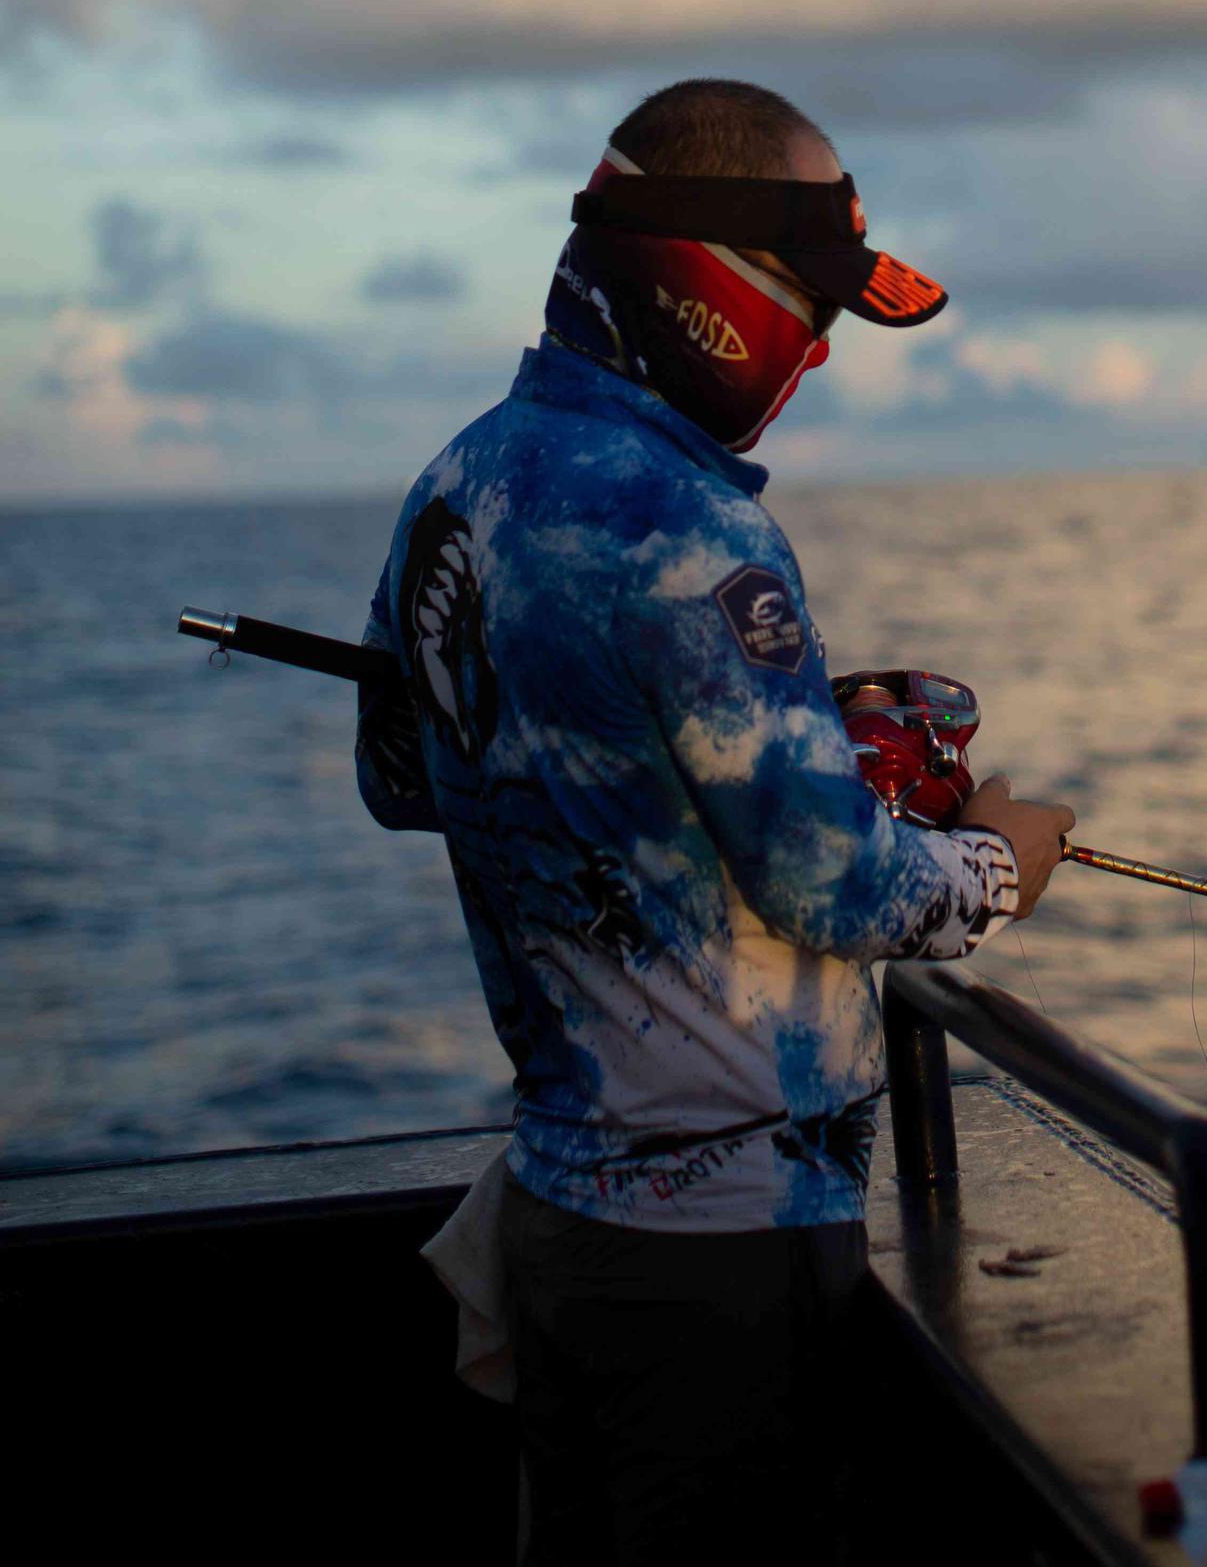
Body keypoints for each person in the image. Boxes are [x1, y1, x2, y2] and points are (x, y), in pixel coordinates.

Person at [354, 76, 1074, 1563]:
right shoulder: (685, 523)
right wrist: (1002, 857)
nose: (815, 350)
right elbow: (837, 886)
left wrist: (746, 736)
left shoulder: (457, 484)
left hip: (563, 1215)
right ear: (711, 290)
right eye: (809, 308)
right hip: (724, 1253)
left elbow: (406, 777)